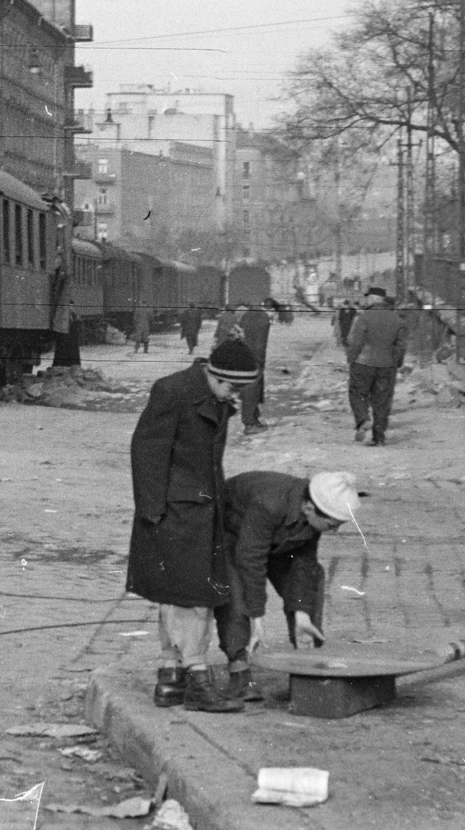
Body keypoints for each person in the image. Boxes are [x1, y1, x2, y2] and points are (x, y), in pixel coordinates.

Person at [126, 339, 262, 713]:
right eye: (232, 388)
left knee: (179, 595)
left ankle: (171, 679)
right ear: (213, 375)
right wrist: (153, 512)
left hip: (201, 509)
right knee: (193, 597)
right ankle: (198, 682)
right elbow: (146, 449)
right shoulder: (173, 391)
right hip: (176, 511)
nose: (234, 396)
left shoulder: (212, 395)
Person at [214, 470, 359, 703]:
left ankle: (306, 661)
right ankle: (239, 671)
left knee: (313, 577)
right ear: (310, 509)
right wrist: (256, 618)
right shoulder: (269, 503)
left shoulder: (315, 506)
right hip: (231, 535)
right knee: (236, 593)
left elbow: (303, 563)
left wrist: (301, 614)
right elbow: (250, 560)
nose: (335, 531)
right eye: (332, 525)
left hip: (274, 539)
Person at [345, 287, 405, 445]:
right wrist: (396, 362)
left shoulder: (364, 317)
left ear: (373, 299)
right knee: (382, 401)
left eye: (368, 298)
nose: (366, 300)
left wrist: (351, 359)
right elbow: (400, 346)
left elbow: (356, 341)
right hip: (386, 365)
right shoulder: (396, 318)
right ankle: (379, 438)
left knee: (357, 393)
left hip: (363, 364)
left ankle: (363, 419)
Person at [238, 301, 272, 432]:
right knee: (251, 390)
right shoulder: (262, 318)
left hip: (243, 356)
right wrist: (260, 361)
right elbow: (260, 344)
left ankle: (254, 418)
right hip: (253, 359)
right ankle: (249, 423)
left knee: (251, 389)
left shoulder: (246, 316)